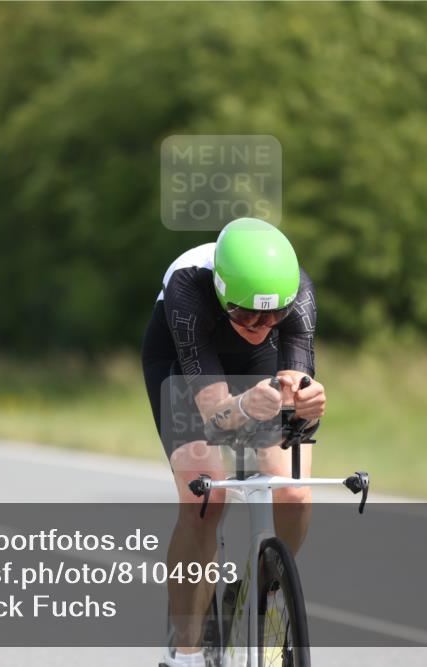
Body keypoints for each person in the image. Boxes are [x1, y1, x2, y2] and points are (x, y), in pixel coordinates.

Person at [141, 218, 325, 667]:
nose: (261, 325)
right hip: (182, 363)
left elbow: (296, 379)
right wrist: (245, 408)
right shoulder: (189, 290)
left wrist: (306, 399)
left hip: (254, 366)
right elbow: (217, 415)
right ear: (223, 291)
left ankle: (264, 581)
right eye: (247, 313)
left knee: (295, 492)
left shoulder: (297, 294)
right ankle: (185, 652)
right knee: (204, 496)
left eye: (273, 316)